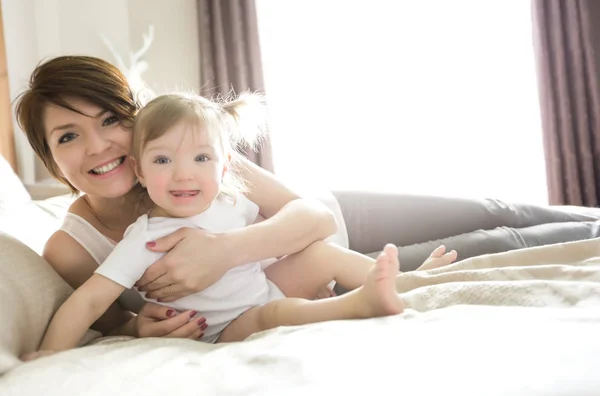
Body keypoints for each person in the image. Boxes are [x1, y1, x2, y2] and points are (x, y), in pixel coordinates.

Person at [15, 55, 457, 345]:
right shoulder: (71, 248)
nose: (97, 146)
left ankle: (414, 280)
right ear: (50, 160)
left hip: (330, 226)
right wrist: (139, 327)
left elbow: (316, 217)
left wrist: (225, 252)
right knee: (495, 235)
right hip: (257, 298)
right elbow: (106, 322)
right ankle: (397, 282)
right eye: (68, 136)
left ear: (138, 121)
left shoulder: (198, 168)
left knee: (507, 223)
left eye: (111, 119)